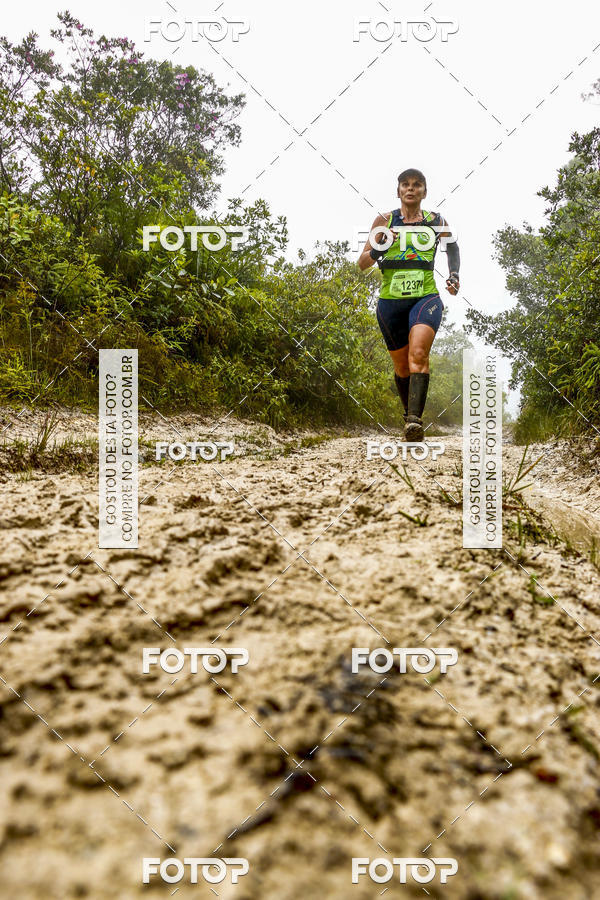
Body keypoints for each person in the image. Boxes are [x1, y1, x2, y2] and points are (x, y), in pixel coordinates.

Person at [358, 168, 460, 442]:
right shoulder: (384, 220)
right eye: (405, 184)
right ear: (399, 191)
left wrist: (454, 275)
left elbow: (452, 247)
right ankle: (408, 417)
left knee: (418, 354)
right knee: (402, 368)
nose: (411, 188)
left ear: (424, 191)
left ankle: (415, 421)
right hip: (390, 303)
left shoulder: (436, 221)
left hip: (425, 298)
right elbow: (363, 263)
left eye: (417, 184)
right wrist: (380, 246)